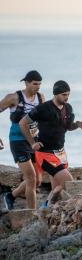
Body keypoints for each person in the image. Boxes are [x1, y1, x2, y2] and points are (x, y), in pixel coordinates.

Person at [20, 80, 82, 206]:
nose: (66, 98)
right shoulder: (43, 108)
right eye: (64, 95)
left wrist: (78, 124)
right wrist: (32, 142)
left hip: (61, 153)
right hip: (45, 154)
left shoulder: (68, 108)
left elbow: (67, 126)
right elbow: (23, 123)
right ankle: (48, 205)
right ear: (55, 94)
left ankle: (46, 206)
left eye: (68, 94)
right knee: (68, 182)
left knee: (58, 187)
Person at [0, 70, 45, 210]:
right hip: (17, 141)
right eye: (34, 84)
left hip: (33, 141)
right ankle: (33, 215)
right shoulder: (14, 98)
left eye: (39, 84)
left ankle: (11, 196)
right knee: (31, 179)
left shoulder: (41, 98)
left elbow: (43, 119)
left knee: (38, 181)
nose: (37, 87)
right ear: (26, 83)